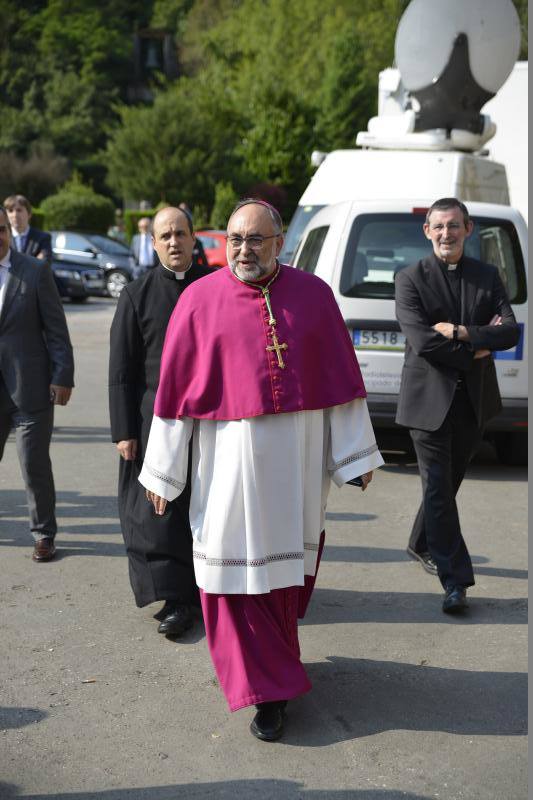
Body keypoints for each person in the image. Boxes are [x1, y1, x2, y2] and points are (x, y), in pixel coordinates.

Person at [138, 199, 384, 740]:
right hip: (224, 473)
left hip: (294, 472)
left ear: (279, 244)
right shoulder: (199, 301)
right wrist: (162, 473)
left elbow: (341, 383)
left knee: (280, 579)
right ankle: (265, 693)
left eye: (255, 240)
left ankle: (274, 677)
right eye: (234, 239)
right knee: (229, 578)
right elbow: (174, 396)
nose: (243, 250)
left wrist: (356, 457)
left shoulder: (314, 297)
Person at [395, 197, 520, 614]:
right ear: (426, 231)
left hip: (474, 401)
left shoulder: (487, 276)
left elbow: (510, 333)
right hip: (427, 401)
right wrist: (477, 348)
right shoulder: (410, 278)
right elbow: (424, 341)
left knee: (445, 486)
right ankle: (456, 581)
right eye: (439, 226)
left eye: (454, 225)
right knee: (437, 487)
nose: (446, 233)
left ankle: (420, 542)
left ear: (468, 229)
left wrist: (465, 331)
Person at [109, 206, 212, 637]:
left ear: (193, 240)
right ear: (153, 243)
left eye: (180, 234)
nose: (173, 242)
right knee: (159, 514)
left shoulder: (214, 289)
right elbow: (121, 370)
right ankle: (175, 599)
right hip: (155, 422)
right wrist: (124, 432)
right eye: (165, 235)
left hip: (210, 421)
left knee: (208, 507)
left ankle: (209, 592)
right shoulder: (136, 294)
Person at [0, 204, 74, 561]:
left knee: (33, 464)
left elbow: (56, 330)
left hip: (29, 389)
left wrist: (63, 376)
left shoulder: (34, 270)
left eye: (1, 229)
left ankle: (44, 533)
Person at [3, 194, 53, 267]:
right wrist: (34, 261)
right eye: (10, 211)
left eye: (19, 210)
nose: (15, 215)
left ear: (29, 214)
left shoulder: (43, 238)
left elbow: (44, 264)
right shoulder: (2, 238)